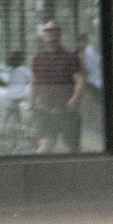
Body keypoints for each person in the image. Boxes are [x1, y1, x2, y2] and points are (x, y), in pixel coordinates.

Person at [29, 21, 84, 152]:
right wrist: (31, 105)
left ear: (59, 35)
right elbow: (35, 82)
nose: (50, 36)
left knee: (72, 149)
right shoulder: (38, 58)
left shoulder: (70, 57)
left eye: (54, 32)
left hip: (66, 110)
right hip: (45, 110)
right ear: (44, 36)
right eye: (47, 32)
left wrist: (75, 98)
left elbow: (79, 80)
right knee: (45, 148)